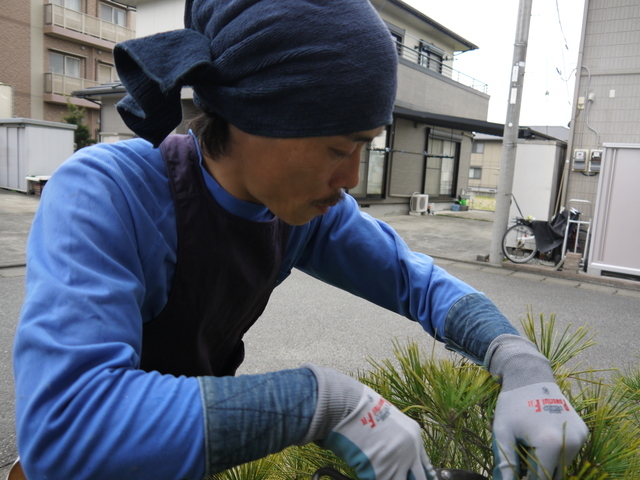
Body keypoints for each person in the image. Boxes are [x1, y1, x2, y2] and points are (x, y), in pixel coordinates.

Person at [12, 0, 588, 479]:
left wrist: (521, 365)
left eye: (367, 148)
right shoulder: (107, 194)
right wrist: (325, 405)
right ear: (255, 115)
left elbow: (421, 285)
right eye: (339, 149)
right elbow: (67, 433)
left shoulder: (302, 215)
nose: (352, 181)